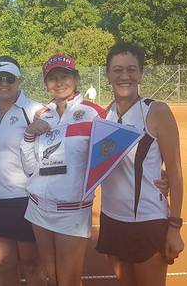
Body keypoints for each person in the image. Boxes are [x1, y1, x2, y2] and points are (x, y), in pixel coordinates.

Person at [97, 42, 185, 286]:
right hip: (112, 220)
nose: (124, 76)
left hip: (148, 222)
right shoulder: (104, 116)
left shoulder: (156, 112)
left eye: (131, 69)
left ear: (141, 73)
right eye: (117, 70)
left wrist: (175, 227)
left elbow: (175, 174)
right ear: (108, 74)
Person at [20, 54, 107, 286]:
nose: (59, 82)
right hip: (39, 208)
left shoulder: (95, 113)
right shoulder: (42, 114)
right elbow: (30, 167)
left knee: (69, 281)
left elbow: (116, 154)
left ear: (76, 78)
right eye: (52, 78)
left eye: (64, 76)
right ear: (46, 83)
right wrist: (28, 135)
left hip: (72, 211)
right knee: (51, 278)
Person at [0, 56, 46, 286]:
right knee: (4, 263)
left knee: (31, 263)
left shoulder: (35, 109)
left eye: (9, 78)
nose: (4, 83)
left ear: (19, 81)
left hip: (25, 198)